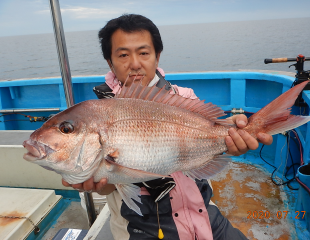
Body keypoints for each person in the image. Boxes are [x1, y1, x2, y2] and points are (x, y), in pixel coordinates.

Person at [62, 14, 273, 240]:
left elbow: (210, 134)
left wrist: (230, 136)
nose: (134, 64)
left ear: (157, 56)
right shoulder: (99, 115)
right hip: (142, 228)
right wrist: (97, 184)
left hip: (203, 216)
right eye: (123, 55)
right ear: (109, 62)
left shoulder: (184, 97)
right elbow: (110, 186)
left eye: (143, 53)